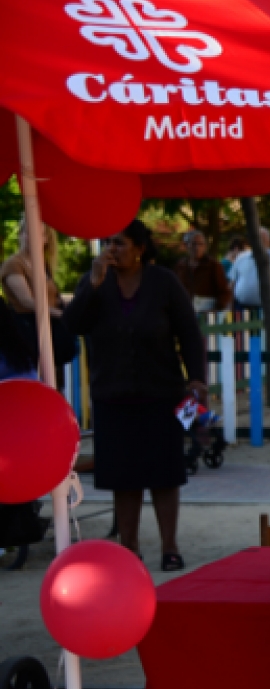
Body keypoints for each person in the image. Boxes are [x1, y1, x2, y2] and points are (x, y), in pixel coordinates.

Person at [64, 220, 207, 571]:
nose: (112, 250)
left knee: (164, 474)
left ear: (141, 248)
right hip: (113, 395)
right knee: (123, 477)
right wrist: (92, 286)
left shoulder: (164, 283)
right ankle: (129, 547)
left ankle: (169, 547)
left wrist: (198, 379)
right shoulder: (95, 281)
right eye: (109, 243)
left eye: (120, 243)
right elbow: (71, 326)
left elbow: (188, 331)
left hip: (160, 392)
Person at [0, 219, 76, 370]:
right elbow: (26, 301)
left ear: (46, 239)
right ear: (20, 235)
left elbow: (53, 298)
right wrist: (62, 314)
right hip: (27, 330)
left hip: (48, 329)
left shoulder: (43, 264)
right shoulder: (14, 264)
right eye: (28, 232)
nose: (32, 237)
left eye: (39, 234)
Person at [228, 227, 270, 312]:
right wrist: (229, 305)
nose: (259, 242)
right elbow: (232, 283)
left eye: (263, 239)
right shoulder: (241, 257)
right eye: (256, 238)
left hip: (267, 308)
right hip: (241, 307)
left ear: (268, 242)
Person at [174, 230, 232, 311]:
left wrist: (217, 309)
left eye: (201, 244)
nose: (197, 247)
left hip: (207, 313)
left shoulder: (213, 266)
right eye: (194, 244)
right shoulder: (181, 266)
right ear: (186, 245)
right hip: (185, 312)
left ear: (205, 247)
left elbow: (224, 292)